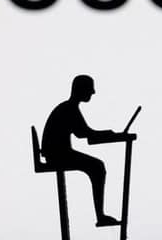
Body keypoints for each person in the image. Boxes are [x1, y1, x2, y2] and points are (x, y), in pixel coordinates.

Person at [41, 75, 119, 227]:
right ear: (81, 89)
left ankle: (101, 215)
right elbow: (83, 133)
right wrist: (107, 134)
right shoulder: (69, 108)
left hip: (58, 153)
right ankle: (100, 216)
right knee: (98, 167)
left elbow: (83, 133)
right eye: (90, 88)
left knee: (97, 166)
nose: (93, 92)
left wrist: (105, 134)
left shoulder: (69, 107)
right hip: (58, 155)